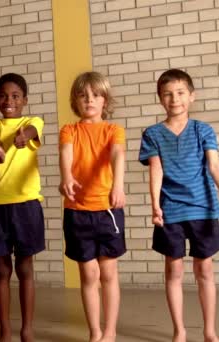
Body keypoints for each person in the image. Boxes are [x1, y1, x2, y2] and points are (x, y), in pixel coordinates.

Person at [139, 69, 219, 342]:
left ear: (191, 96)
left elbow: (214, 165)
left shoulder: (203, 130)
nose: (174, 99)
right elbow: (155, 171)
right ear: (160, 99)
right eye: (167, 94)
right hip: (171, 211)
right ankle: (179, 331)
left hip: (203, 209)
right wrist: (155, 205)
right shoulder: (152, 134)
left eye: (180, 93)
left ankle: (209, 331)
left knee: (204, 270)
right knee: (174, 269)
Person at [59, 72, 126, 342]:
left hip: (107, 209)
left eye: (95, 95)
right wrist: (66, 176)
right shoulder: (70, 129)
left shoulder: (113, 130)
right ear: (75, 100)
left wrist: (118, 185)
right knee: (88, 274)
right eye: (83, 95)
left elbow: (118, 153)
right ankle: (95, 332)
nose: (89, 100)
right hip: (77, 210)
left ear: (104, 100)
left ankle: (109, 332)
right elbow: (66, 152)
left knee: (108, 272)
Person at [0, 73, 45, 342]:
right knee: (2, 269)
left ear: (24, 100)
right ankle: (5, 330)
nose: (9, 100)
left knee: (25, 268)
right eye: (4, 96)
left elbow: (32, 131)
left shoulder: (32, 122)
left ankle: (26, 329)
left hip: (26, 205)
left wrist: (22, 137)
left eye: (15, 96)